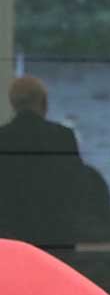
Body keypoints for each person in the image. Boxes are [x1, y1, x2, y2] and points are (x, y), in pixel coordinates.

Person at [0, 76, 84, 249]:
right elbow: (77, 185)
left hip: (12, 237)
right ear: (44, 102)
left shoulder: (3, 138)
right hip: (57, 237)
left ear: (13, 104)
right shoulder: (62, 137)